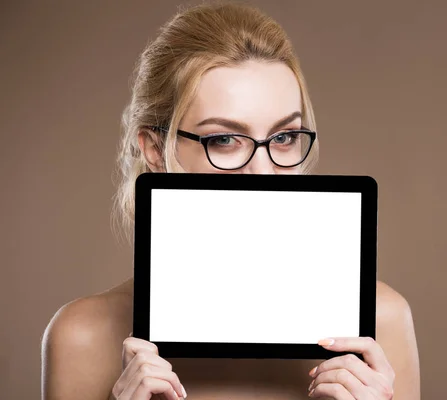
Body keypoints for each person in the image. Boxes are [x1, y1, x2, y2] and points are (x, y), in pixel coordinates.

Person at [41, 3, 420, 399]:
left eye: (284, 137)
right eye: (223, 139)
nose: (263, 173)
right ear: (155, 149)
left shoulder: (380, 323)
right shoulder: (82, 337)